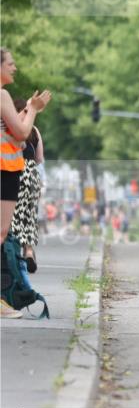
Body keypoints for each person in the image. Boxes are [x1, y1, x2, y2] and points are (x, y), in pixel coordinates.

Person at [1, 48, 51, 318]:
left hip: (7, 168)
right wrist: (32, 109)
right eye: (10, 64)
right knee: (1, 233)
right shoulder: (2, 95)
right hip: (5, 169)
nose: (15, 68)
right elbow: (22, 133)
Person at [10, 100, 44, 272]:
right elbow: (39, 160)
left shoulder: (11, 128)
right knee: (29, 215)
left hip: (13, 171)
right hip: (31, 175)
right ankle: (29, 251)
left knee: (12, 214)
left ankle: (12, 253)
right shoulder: (34, 131)